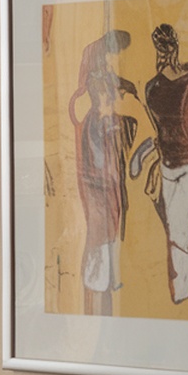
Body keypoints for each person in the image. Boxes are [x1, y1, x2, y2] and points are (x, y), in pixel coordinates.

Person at [130, 22, 188, 303]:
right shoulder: (153, 88)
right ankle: (181, 291)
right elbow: (160, 134)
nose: (164, 53)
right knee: (174, 231)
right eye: (160, 48)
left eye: (166, 47)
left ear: (172, 47)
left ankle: (183, 293)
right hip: (167, 167)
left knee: (182, 232)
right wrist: (143, 155)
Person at [68, 30, 139, 309]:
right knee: (101, 223)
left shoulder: (101, 71)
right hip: (98, 169)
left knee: (111, 218)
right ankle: (96, 279)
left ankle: (103, 278)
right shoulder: (95, 73)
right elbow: (100, 92)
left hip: (104, 163)